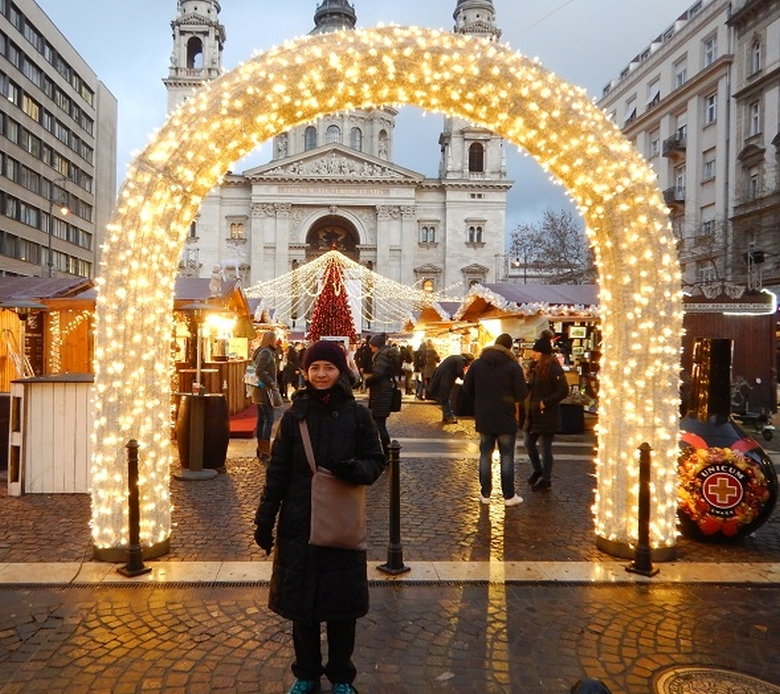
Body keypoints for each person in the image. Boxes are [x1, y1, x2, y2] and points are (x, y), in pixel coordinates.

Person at [253, 340, 386, 694]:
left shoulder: (358, 415)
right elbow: (277, 473)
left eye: (328, 367)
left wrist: (355, 470)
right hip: (298, 522)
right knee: (303, 610)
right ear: (305, 372)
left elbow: (376, 460)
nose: (321, 374)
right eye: (315, 368)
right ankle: (306, 672)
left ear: (339, 370)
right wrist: (265, 520)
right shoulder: (295, 417)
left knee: (342, 610)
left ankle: (342, 676)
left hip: (340, 523)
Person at [461, 334, 527, 507]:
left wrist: (480, 399)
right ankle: (509, 496)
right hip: (505, 416)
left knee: (485, 454)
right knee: (506, 456)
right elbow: (522, 393)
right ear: (509, 347)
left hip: (484, 415)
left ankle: (485, 494)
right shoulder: (513, 366)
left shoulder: (477, 364)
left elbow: (466, 388)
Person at [523, 335, 569, 491]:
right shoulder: (535, 367)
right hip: (533, 414)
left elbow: (563, 390)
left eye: (535, 352)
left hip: (546, 415)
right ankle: (538, 470)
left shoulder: (553, 368)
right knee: (528, 444)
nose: (532, 354)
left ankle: (546, 478)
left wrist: (545, 402)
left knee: (545, 448)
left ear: (543, 353)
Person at [364, 332, 397, 458]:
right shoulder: (385, 354)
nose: (371, 349)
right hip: (383, 390)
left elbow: (378, 373)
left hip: (381, 392)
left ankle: (387, 455)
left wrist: (365, 382)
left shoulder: (382, 356)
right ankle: (385, 453)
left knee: (379, 424)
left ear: (376, 346)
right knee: (379, 423)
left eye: (372, 347)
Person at [251, 330, 278, 462]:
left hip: (259, 390)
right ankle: (265, 449)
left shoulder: (260, 351)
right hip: (264, 391)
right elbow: (259, 370)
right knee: (268, 419)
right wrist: (271, 382)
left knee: (262, 420)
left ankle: (261, 449)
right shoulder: (266, 352)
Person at [427, 353, 474, 424]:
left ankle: (446, 415)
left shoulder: (457, 357)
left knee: (444, 396)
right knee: (445, 397)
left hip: (443, 375)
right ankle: (449, 416)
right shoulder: (462, 360)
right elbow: (459, 371)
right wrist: (465, 378)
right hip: (446, 377)